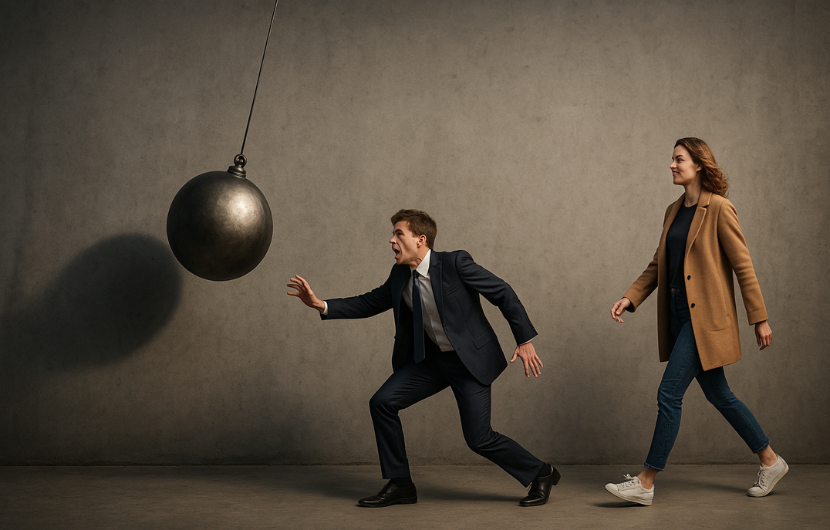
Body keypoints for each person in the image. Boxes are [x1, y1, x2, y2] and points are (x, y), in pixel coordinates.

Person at [288, 209, 559, 507]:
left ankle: (541, 472)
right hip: (431, 361)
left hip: (469, 362)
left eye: (398, 234)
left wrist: (524, 339)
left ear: (420, 240)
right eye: (392, 234)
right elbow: (370, 302)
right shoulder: (399, 274)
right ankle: (401, 485)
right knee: (382, 402)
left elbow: (503, 292)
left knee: (478, 438)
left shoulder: (456, 264)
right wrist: (320, 304)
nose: (391, 240)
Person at [605, 137, 787, 506]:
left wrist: (759, 318)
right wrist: (631, 296)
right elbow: (659, 263)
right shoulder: (673, 210)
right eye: (671, 160)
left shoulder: (719, 208)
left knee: (669, 393)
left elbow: (743, 266)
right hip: (677, 316)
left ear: (699, 164)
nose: (671, 165)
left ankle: (646, 480)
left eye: (678, 159)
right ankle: (771, 461)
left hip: (705, 321)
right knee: (720, 394)